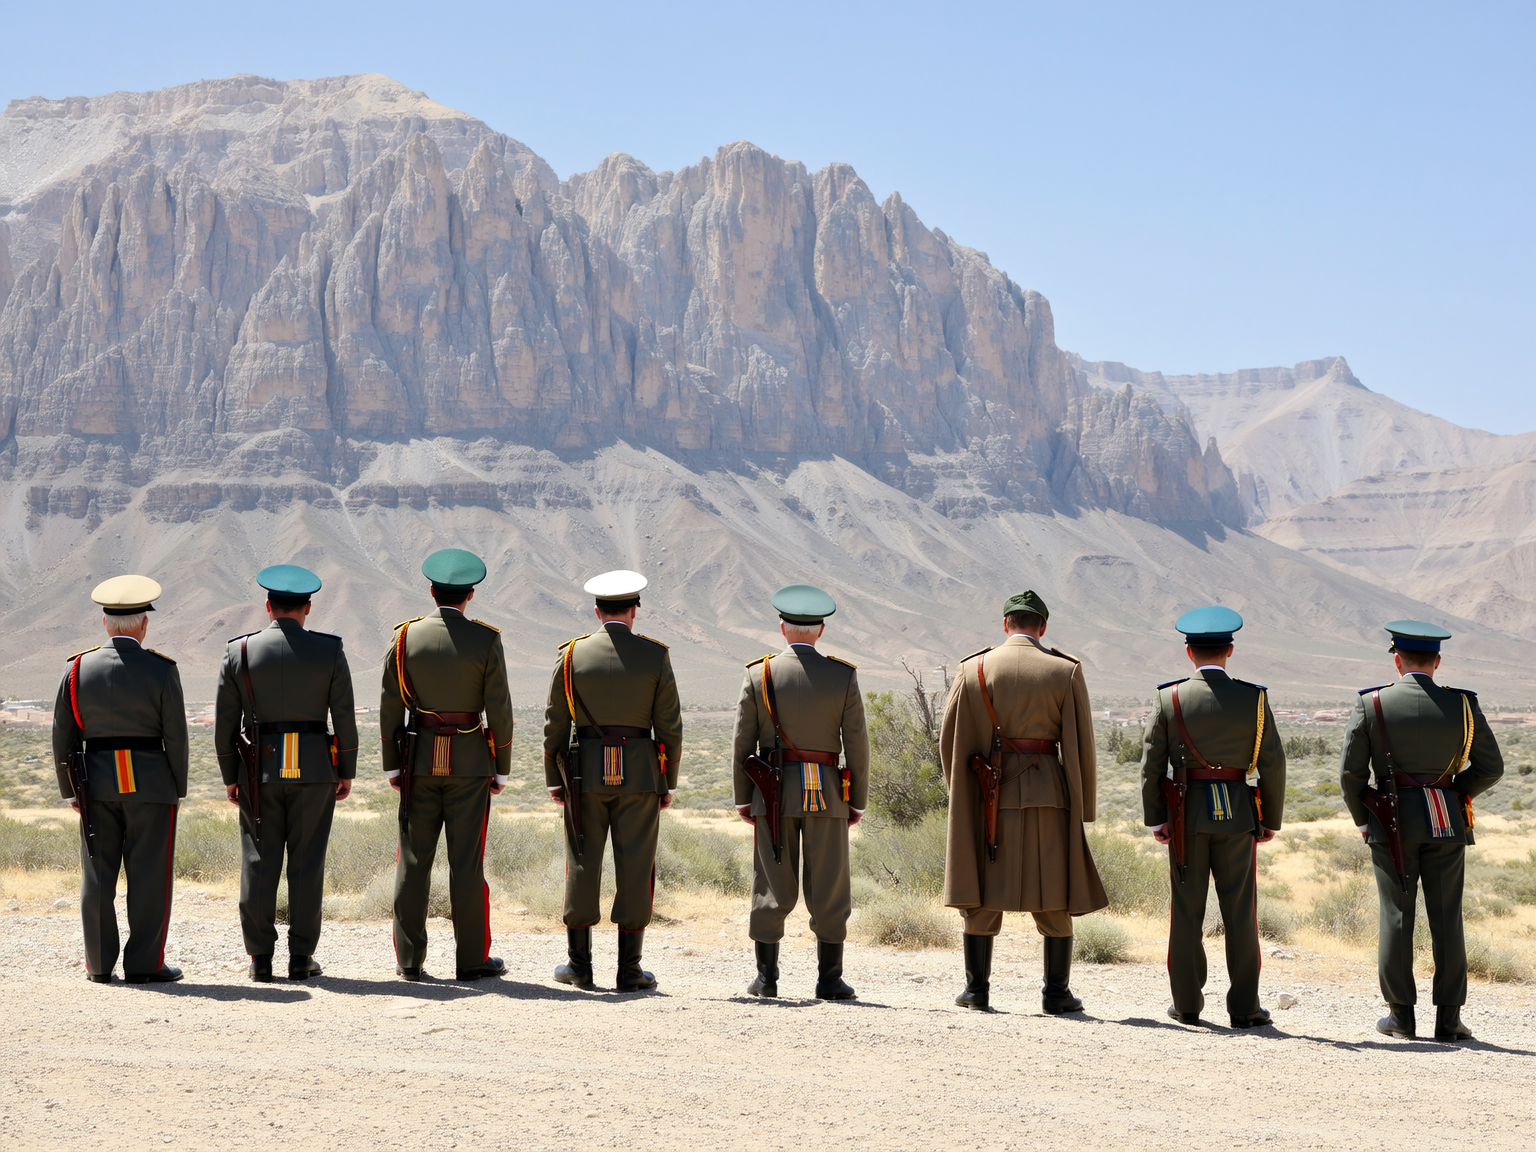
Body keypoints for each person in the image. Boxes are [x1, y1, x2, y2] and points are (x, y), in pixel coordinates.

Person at [942, 590, 1107, 1013]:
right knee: (1052, 890)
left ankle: (977, 991)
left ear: (1005, 624)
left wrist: (959, 792)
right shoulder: (1065, 670)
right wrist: (1083, 804)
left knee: (982, 891)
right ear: (1043, 627)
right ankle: (1056, 994)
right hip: (1048, 794)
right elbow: (1081, 745)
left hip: (986, 795)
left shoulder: (974, 668)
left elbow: (949, 738)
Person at [1340, 620, 1503, 1041]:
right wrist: (1452, 794)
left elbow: (1350, 776)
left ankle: (1400, 1018)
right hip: (1445, 819)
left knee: (1396, 915)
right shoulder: (1463, 705)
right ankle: (1449, 1020)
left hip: (1390, 822)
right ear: (1438, 661)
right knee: (1447, 917)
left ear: (1397, 660)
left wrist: (1364, 819)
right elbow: (1491, 768)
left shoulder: (1371, 704)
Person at [1140, 606, 1286, 1027]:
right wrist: (1269, 819)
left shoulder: (1169, 698)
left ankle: (1186, 1005)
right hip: (1239, 813)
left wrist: (1157, 819)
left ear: (1189, 653)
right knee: (1240, 911)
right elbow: (1273, 764)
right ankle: (1244, 1008)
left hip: (1186, 815)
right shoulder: (1253, 698)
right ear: (1230, 650)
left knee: (1186, 910)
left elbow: (1152, 766)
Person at [215, 564, 359, 982]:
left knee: (259, 862)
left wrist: (231, 776)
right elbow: (344, 719)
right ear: (308, 608)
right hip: (315, 770)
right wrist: (344, 770)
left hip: (257, 771)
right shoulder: (330, 651)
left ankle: (260, 959)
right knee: (307, 864)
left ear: (268, 607)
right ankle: (301, 958)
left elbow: (226, 726)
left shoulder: (238, 652)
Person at [543, 570, 683, 992]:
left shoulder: (570, 656)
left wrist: (555, 780)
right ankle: (629, 970)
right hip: (640, 775)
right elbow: (670, 730)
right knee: (637, 867)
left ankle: (579, 966)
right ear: (634, 610)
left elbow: (555, 726)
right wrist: (667, 782)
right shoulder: (655, 656)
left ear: (596, 610)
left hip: (583, 774)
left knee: (582, 863)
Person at [380, 549, 514, 981]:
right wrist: (501, 769)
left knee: (413, 862)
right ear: (470, 595)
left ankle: (409, 960)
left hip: (418, 762)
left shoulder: (404, 639)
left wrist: (391, 767)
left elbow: (388, 709)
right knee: (467, 865)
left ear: (431, 591)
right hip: (470, 763)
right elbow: (501, 711)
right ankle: (472, 960)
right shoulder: (486, 640)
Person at [731, 584, 870, 1000]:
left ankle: (766, 978)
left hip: (773, 793)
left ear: (782, 628)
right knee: (829, 883)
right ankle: (829, 980)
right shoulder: (843, 675)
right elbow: (857, 745)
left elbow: (743, 743)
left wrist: (744, 798)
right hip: (827, 793)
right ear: (821, 631)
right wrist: (856, 800)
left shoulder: (759, 673)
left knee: (771, 879)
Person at [51, 575, 188, 984]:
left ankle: (98, 965)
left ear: (104, 624)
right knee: (149, 876)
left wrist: (70, 790)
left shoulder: (77, 669)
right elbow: (176, 736)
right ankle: (145, 965)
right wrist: (176, 788)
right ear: (144, 624)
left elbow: (62, 734)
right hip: (150, 785)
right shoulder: (162, 669)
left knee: (97, 874)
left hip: (95, 785)